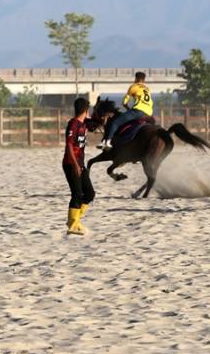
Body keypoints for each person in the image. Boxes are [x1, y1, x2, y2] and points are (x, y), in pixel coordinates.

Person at [63, 97, 95, 235]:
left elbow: (96, 124)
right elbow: (69, 145)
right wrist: (75, 164)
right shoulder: (73, 124)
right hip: (71, 164)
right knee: (76, 194)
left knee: (89, 193)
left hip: (81, 164)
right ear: (86, 110)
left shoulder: (84, 124)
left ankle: (76, 221)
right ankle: (72, 225)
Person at [99, 71, 153, 149]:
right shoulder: (147, 89)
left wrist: (129, 109)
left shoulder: (133, 86)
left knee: (115, 122)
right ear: (144, 80)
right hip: (148, 113)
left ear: (136, 78)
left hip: (138, 111)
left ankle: (107, 142)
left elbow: (124, 103)